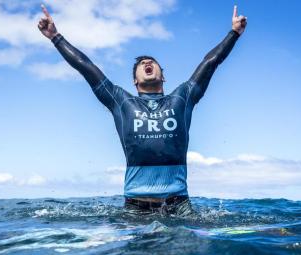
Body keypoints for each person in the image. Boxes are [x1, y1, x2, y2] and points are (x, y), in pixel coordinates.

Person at [38, 4, 247, 215]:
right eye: (142, 64)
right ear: (135, 81)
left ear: (163, 76)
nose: (147, 62)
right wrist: (56, 37)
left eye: (152, 62)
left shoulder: (182, 98)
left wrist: (234, 33)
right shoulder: (120, 100)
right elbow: (86, 67)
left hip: (179, 206)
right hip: (135, 207)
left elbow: (210, 63)